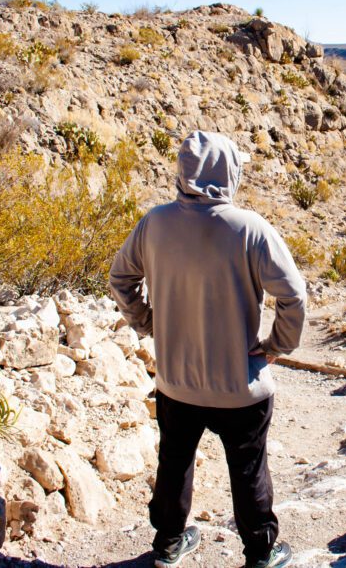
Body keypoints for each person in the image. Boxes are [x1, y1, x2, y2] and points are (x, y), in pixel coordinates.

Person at [109, 130, 306, 568]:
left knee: (174, 462)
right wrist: (277, 346)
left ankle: (169, 542)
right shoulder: (250, 229)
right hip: (240, 385)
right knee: (249, 469)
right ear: (228, 173)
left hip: (176, 382)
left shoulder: (154, 223)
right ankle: (260, 551)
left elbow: (121, 280)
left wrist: (148, 322)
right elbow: (294, 296)